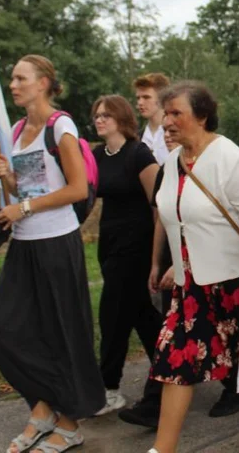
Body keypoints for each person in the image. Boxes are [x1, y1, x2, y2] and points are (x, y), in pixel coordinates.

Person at [0, 55, 104, 453]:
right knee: (2, 329)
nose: (13, 85)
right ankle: (42, 408)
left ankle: (69, 424)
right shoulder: (19, 129)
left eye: (21, 78)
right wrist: (10, 179)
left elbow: (76, 190)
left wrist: (24, 207)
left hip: (57, 242)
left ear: (43, 83)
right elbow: (32, 188)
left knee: (63, 335)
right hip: (24, 243)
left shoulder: (61, 127)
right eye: (12, 79)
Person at [145, 82, 239, 453]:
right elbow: (174, 218)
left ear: (201, 116)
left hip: (237, 280)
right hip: (190, 286)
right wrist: (174, 263)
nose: (167, 121)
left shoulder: (229, 157)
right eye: (165, 113)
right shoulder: (171, 163)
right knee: (175, 358)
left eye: (175, 113)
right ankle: (163, 448)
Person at [89, 95, 162, 417]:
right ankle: (170, 370)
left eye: (106, 115)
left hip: (137, 246)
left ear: (122, 118)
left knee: (113, 315)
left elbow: (158, 205)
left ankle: (109, 387)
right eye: (96, 115)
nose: (100, 119)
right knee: (142, 317)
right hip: (110, 244)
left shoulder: (139, 154)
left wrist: (158, 258)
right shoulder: (96, 155)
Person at [135, 73, 171, 165]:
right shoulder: (136, 138)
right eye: (138, 98)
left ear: (162, 98)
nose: (140, 102)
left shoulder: (178, 134)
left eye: (146, 97)